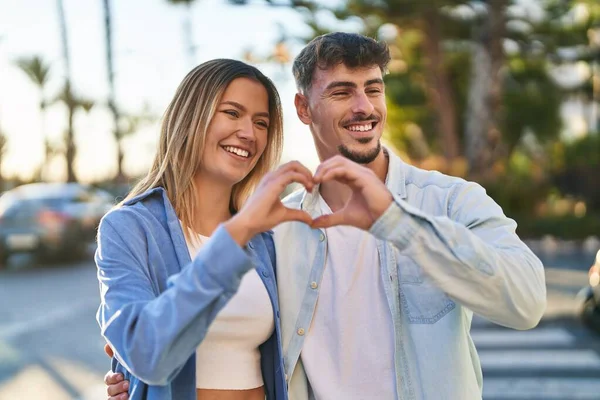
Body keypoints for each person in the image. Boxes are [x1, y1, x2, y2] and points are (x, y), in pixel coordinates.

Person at [106, 33, 547, 400]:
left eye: (373, 89)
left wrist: (398, 221)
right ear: (303, 109)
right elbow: (175, 327)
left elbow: (526, 303)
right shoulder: (279, 227)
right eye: (341, 91)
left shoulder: (450, 201)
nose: (364, 107)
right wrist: (132, 374)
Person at [96, 58, 316, 400]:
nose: (249, 133)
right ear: (191, 116)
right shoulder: (128, 228)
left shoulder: (264, 240)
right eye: (231, 113)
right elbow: (145, 351)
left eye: (261, 122)